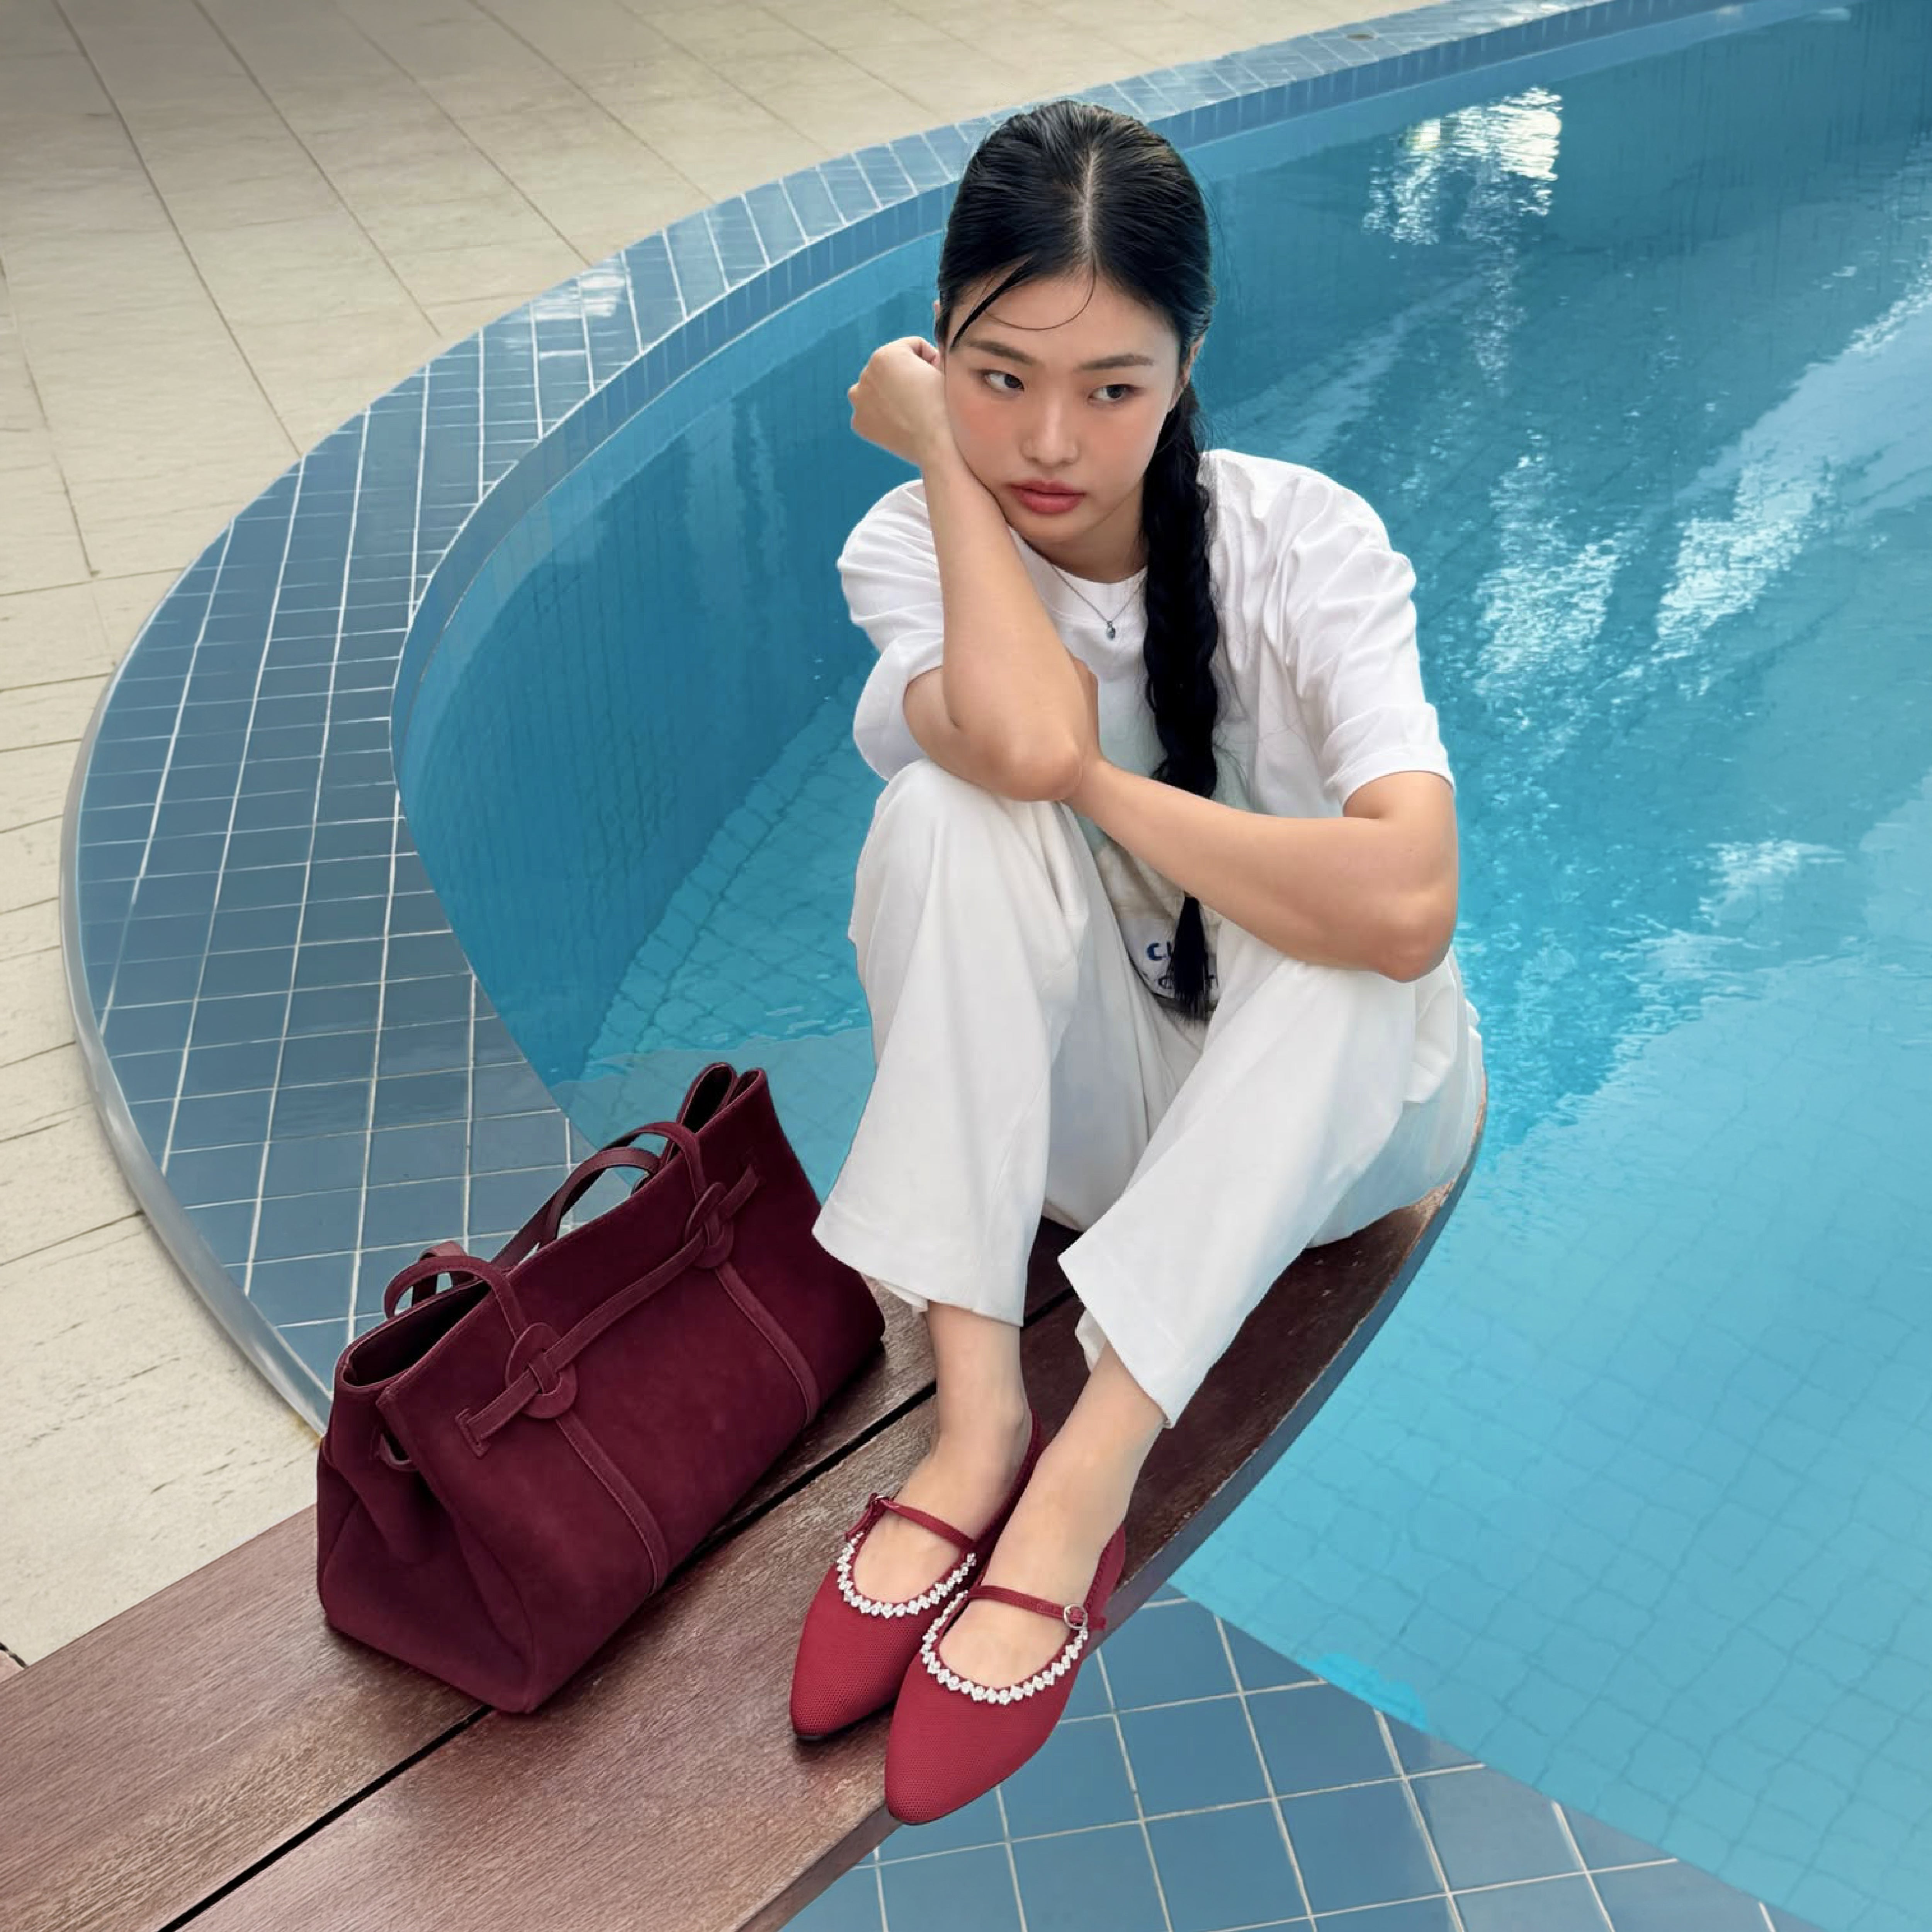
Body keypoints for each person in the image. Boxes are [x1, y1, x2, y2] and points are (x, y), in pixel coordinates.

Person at [788, 96, 1484, 1824]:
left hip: (1336, 1129)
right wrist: (940, 469)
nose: (1049, 440)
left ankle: (1084, 1473)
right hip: (1098, 1140)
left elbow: (1410, 907)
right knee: (939, 817)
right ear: (936, 345)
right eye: (997, 376)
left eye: (1112, 386)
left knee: (1339, 940)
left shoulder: (1301, 539)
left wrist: (1104, 792)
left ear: (1187, 369)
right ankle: (976, 1427)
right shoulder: (910, 547)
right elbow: (1022, 738)